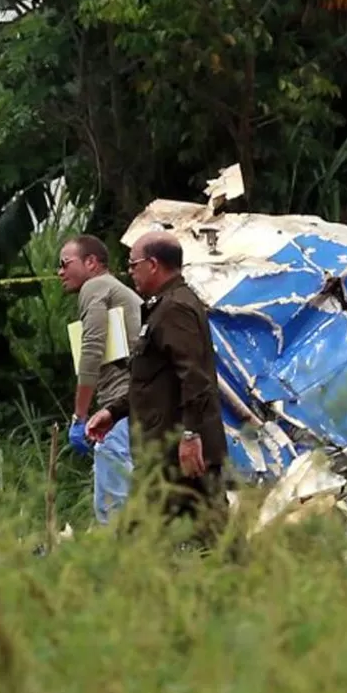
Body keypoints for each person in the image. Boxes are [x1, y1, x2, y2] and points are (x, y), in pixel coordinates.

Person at [86, 232, 227, 544]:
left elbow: (195, 378)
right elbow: (152, 380)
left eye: (133, 264)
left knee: (198, 538)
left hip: (180, 452)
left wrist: (191, 436)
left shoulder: (175, 308)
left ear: (152, 265)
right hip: (165, 450)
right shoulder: (164, 306)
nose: (130, 272)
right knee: (206, 538)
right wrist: (113, 411)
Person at [57, 234, 144, 526]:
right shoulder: (119, 291)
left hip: (119, 405)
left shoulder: (96, 286)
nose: (60, 271)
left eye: (65, 263)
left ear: (91, 262)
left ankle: (121, 566)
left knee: (113, 504)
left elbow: (92, 348)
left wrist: (79, 415)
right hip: (138, 402)